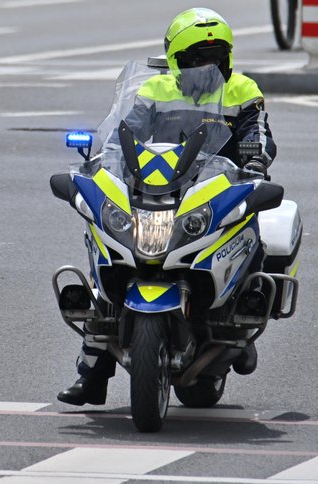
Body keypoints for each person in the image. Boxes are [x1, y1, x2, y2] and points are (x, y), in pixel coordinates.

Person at [58, 7, 276, 406]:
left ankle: (243, 323)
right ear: (176, 60)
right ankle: (92, 375)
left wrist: (257, 162)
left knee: (253, 233)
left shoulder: (242, 89)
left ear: (228, 58)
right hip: (159, 191)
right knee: (110, 257)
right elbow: (122, 136)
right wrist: (101, 164)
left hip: (215, 189)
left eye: (215, 58)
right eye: (196, 59)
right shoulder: (154, 91)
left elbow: (257, 133)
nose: (206, 68)